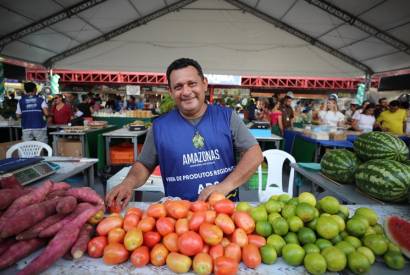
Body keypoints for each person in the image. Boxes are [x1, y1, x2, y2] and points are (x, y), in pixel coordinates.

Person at [106, 58, 263, 208]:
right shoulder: (159, 127)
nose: (186, 92)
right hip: (178, 217)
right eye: (178, 86)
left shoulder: (227, 117)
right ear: (171, 92)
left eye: (192, 83)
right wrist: (128, 183)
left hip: (223, 212)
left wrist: (225, 186)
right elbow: (144, 164)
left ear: (204, 84)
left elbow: (254, 154)